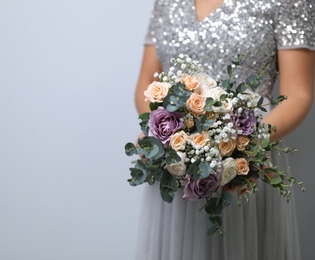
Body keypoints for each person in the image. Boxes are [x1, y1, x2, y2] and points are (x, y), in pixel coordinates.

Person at [133, 0, 315, 259]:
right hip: (173, 159)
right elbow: (146, 83)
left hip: (245, 153)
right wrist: (160, 135)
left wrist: (242, 147)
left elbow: (298, 94)